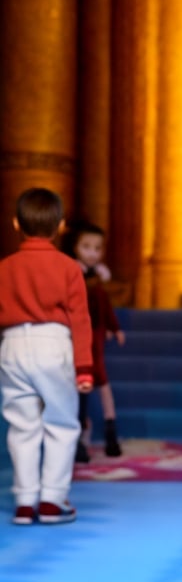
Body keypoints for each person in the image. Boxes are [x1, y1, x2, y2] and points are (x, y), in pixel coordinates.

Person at [0, 188, 93, 524]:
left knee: (21, 425)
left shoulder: (5, 267)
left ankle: (25, 501)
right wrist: (84, 367)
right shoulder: (69, 267)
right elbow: (80, 319)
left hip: (11, 344)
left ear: (15, 224)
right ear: (61, 225)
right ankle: (52, 500)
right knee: (62, 423)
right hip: (53, 344)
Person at [66, 220, 126, 460]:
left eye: (97, 248)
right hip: (78, 335)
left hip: (97, 334)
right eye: (86, 246)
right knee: (80, 385)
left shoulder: (99, 278)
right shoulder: (71, 273)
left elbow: (103, 304)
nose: (92, 253)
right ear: (75, 247)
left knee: (101, 382)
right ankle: (80, 436)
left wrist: (113, 327)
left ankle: (111, 429)